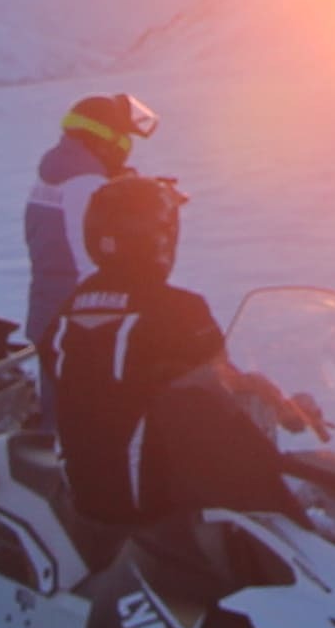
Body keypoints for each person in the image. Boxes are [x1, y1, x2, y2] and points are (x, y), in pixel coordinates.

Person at [45, 172, 296, 533]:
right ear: (158, 238)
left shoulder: (69, 308)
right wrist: (275, 397)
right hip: (155, 504)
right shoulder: (180, 310)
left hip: (86, 495)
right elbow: (222, 387)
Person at [22, 92, 158, 352]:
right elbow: (90, 260)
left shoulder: (57, 171)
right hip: (77, 319)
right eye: (124, 139)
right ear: (106, 139)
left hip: (50, 305)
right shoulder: (83, 183)